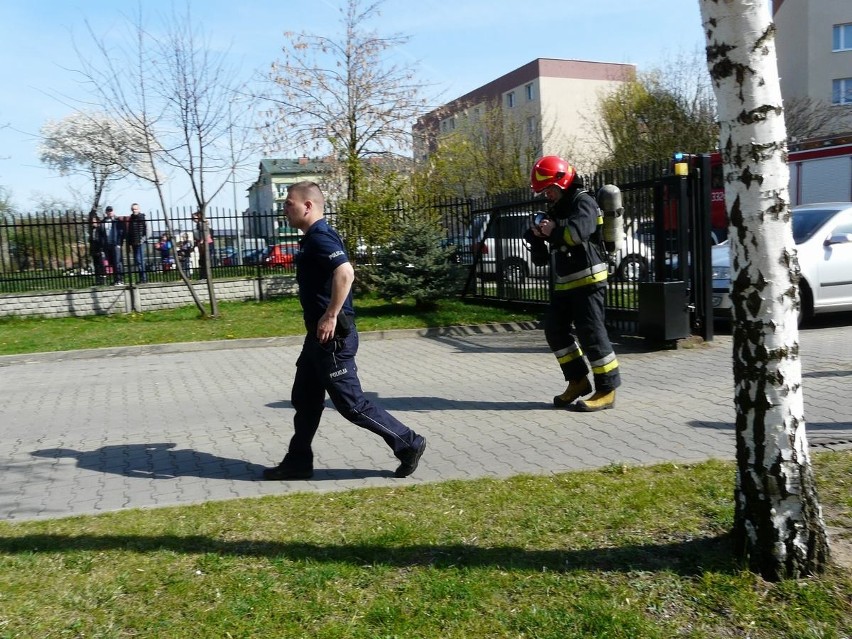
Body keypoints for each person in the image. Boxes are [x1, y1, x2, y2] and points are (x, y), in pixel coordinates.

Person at [262, 181, 427, 480]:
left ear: (307, 206)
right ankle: (298, 462)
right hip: (317, 339)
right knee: (305, 398)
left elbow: (345, 272)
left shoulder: (320, 237)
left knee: (352, 405)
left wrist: (330, 315)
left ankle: (408, 442)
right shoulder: (314, 237)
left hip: (332, 339)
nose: (285, 208)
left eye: (289, 203)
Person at [527, 155, 621, 411]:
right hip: (566, 283)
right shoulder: (559, 208)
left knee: (592, 334)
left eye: (549, 190)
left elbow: (576, 233)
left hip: (589, 280)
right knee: (555, 330)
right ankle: (578, 381)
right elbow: (553, 242)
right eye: (544, 192)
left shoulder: (584, 202)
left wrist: (553, 231)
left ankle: (607, 389)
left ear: (561, 181)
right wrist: (538, 235)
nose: (547, 196)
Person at [101, 205, 125, 285]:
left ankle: (120, 279)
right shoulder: (103, 222)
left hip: (115, 244)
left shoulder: (117, 220)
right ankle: (115, 279)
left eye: (111, 210)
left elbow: (121, 233)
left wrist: (119, 243)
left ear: (113, 211)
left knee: (117, 262)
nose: (109, 212)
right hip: (108, 245)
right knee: (112, 263)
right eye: (108, 211)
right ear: (106, 212)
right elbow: (102, 233)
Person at [126, 203, 148, 284]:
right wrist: (129, 244)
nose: (134, 210)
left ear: (139, 209)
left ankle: (144, 278)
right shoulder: (131, 219)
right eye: (133, 209)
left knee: (140, 260)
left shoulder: (143, 217)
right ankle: (141, 278)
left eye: (135, 209)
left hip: (141, 242)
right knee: (137, 260)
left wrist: (143, 240)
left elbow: (148, 230)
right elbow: (130, 232)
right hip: (134, 242)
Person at [88, 214, 108, 285]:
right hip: (94, 250)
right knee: (96, 265)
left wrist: (102, 249)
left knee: (101, 265)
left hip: (100, 249)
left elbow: (103, 239)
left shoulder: (100, 229)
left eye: (94, 221)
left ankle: (103, 279)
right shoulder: (91, 230)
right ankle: (98, 280)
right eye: (92, 221)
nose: (93, 222)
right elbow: (91, 241)